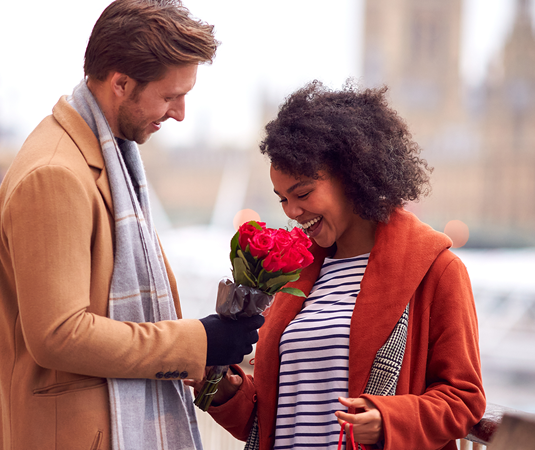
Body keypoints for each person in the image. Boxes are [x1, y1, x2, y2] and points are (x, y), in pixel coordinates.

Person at [0, 1, 264, 449]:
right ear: (121, 83)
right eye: (170, 96)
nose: (180, 113)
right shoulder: (56, 174)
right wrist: (198, 341)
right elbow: (58, 335)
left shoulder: (102, 160)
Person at [190, 81, 486, 450]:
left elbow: (465, 400)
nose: (292, 212)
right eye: (282, 199)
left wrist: (388, 422)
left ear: (352, 175)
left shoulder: (436, 270)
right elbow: (274, 418)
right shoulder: (295, 276)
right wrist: (227, 390)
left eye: (302, 193)